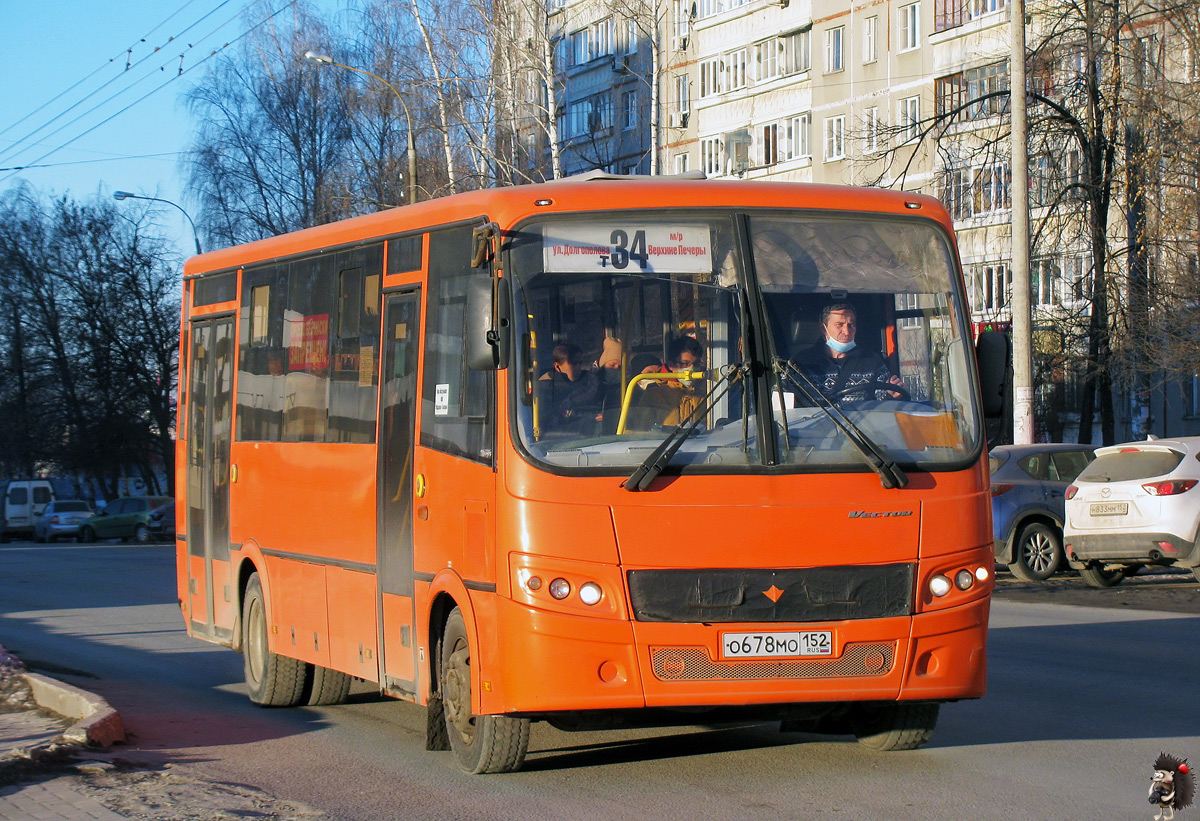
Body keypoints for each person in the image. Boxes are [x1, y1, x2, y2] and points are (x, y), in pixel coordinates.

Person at [792, 302, 904, 404]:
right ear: (823, 328)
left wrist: (892, 395)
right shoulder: (800, 364)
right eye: (839, 325)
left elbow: (884, 405)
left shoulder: (873, 362)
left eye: (851, 325)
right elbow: (785, 406)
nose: (847, 332)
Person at [538, 343, 601, 433]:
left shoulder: (591, 381)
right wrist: (592, 417)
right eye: (573, 363)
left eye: (580, 363)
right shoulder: (545, 389)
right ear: (557, 366)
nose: (578, 367)